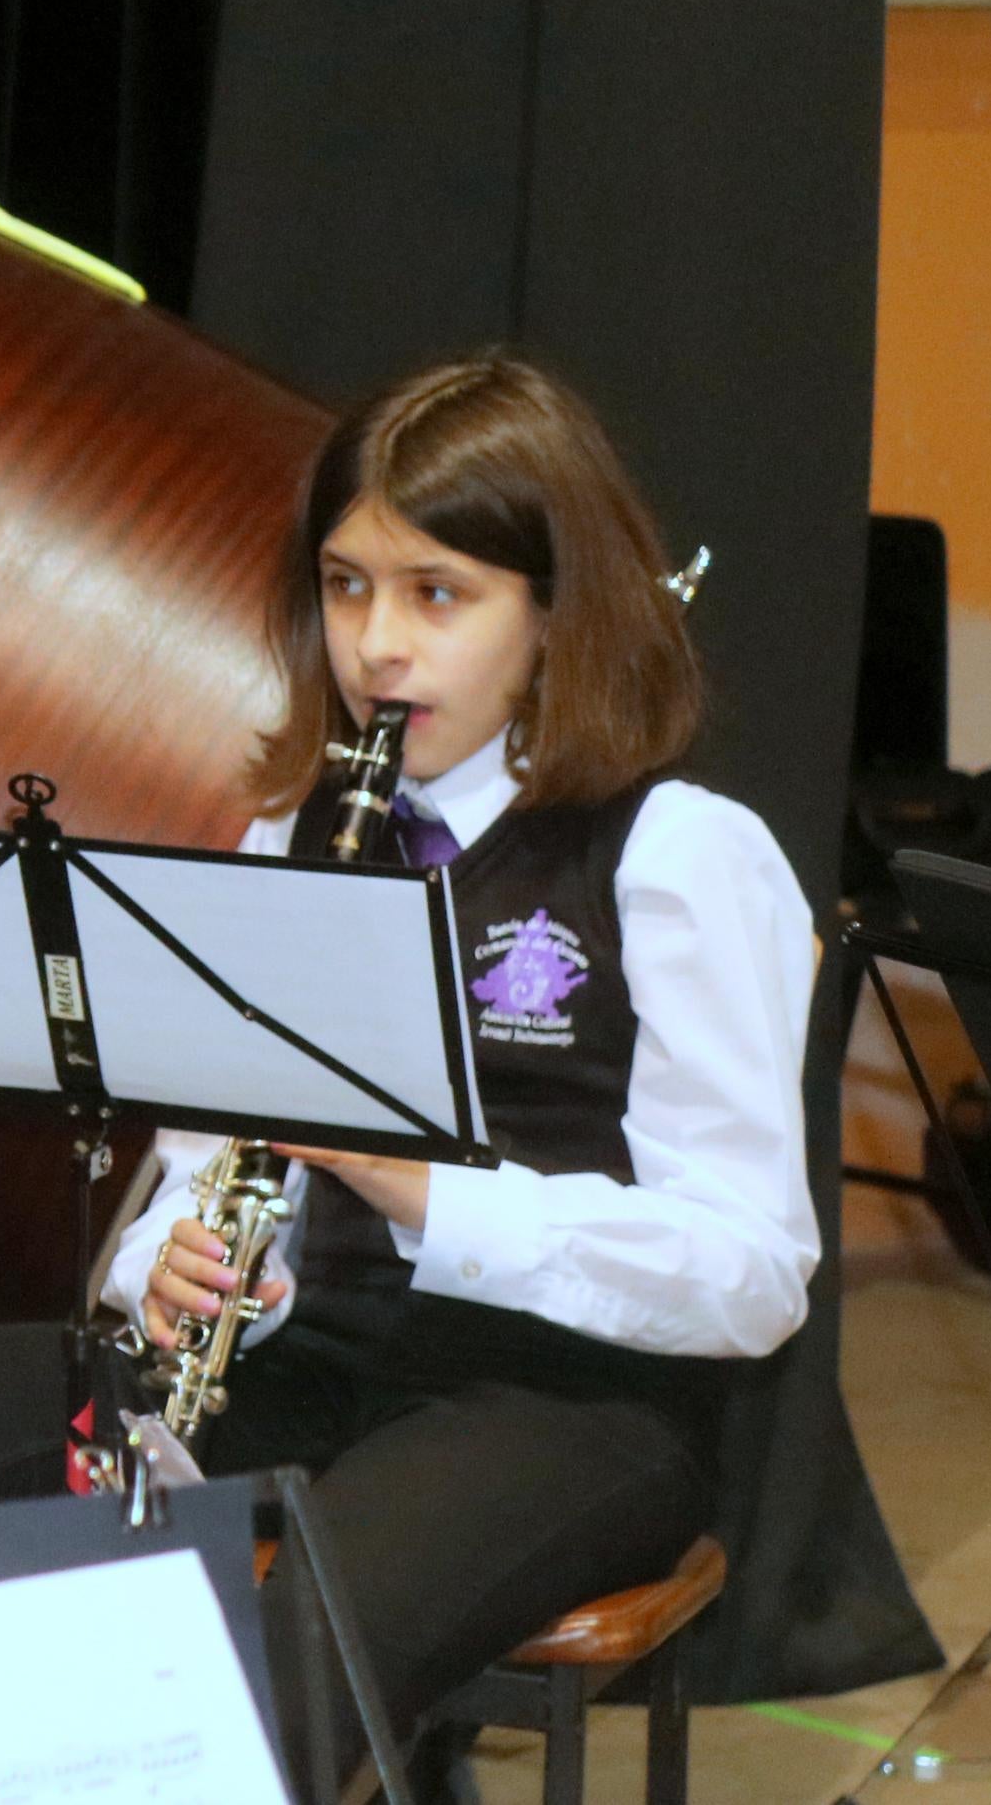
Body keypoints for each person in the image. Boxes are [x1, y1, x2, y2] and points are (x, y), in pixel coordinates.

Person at [107, 353, 821, 1762]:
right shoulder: (291, 835)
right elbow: (182, 1176)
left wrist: (429, 1189)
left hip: (565, 1398)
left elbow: (750, 1272)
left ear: (552, 612)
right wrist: (175, 1271)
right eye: (342, 583)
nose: (375, 644)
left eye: (436, 592)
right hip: (309, 1366)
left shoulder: (673, 851)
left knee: (276, 1658)